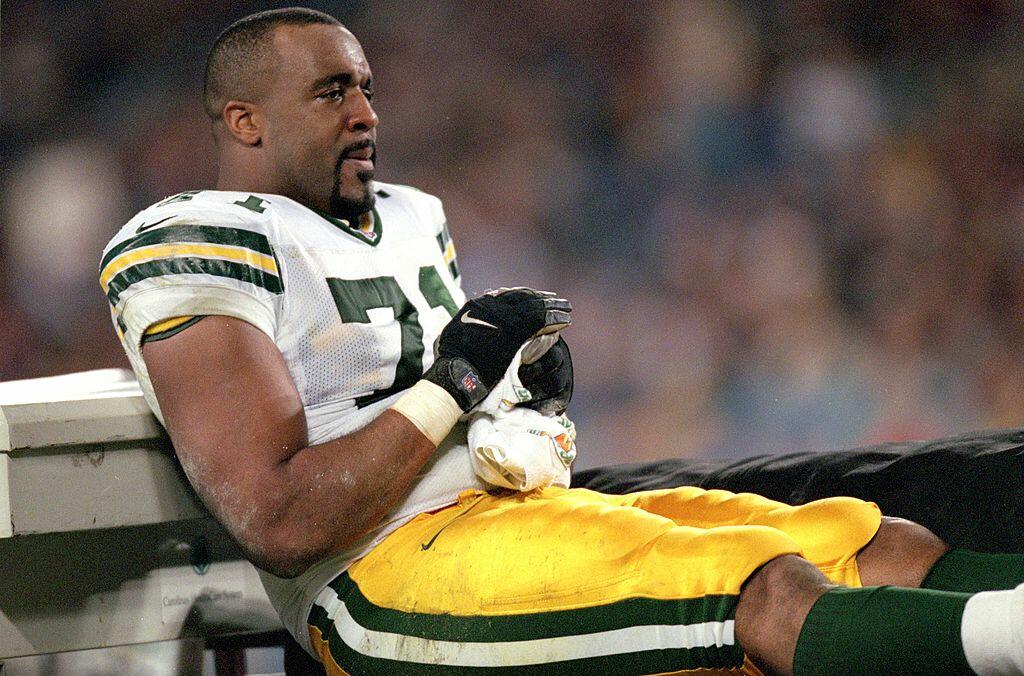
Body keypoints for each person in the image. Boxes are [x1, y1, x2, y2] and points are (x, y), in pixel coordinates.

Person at [99, 8, 1024, 675]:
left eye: (368, 89)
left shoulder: (411, 217)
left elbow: (459, 411)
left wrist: (525, 397)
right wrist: (457, 383)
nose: (366, 114)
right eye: (332, 91)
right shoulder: (192, 239)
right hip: (380, 583)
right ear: (245, 120)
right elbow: (280, 521)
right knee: (768, 593)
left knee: (884, 545)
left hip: (512, 518)